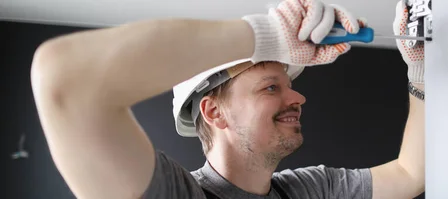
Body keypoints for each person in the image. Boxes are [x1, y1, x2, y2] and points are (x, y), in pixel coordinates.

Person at [30, 0, 426, 198]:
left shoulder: (307, 190)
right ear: (214, 111)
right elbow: (64, 79)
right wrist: (266, 35)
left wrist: (420, 72)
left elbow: (411, 175)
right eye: (271, 87)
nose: (299, 97)